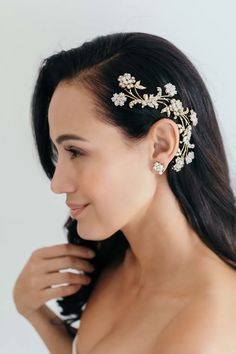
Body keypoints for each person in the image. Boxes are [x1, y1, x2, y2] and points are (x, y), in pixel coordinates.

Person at [13, 32, 236, 354]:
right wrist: (37, 315)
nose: (57, 183)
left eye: (75, 151)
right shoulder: (118, 258)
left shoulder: (205, 330)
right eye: (57, 154)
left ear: (161, 145)